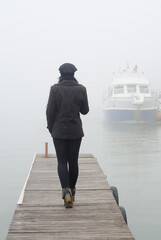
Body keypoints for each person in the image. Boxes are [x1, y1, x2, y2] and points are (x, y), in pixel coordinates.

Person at [46, 63, 89, 208]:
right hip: (76, 131)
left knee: (62, 161)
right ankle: (73, 191)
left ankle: (66, 193)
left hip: (58, 130)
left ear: (60, 74)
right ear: (74, 74)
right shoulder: (81, 89)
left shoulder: (54, 89)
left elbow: (50, 111)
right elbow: (85, 111)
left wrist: (51, 128)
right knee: (73, 161)